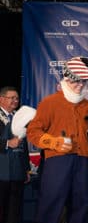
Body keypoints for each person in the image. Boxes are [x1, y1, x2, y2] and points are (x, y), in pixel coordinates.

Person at [26, 56, 88, 223]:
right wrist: (53, 142)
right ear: (67, 78)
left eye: (84, 82)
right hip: (57, 161)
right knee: (50, 205)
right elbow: (33, 131)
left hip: (83, 161)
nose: (80, 85)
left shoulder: (87, 105)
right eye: (77, 81)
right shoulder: (50, 103)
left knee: (82, 205)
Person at [0, 86, 31, 223]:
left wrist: (26, 169)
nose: (15, 101)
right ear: (2, 99)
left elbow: (24, 147)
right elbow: (10, 142)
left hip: (17, 171)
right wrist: (6, 143)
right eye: (12, 98)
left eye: (17, 98)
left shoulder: (20, 118)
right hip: (1, 173)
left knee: (15, 210)